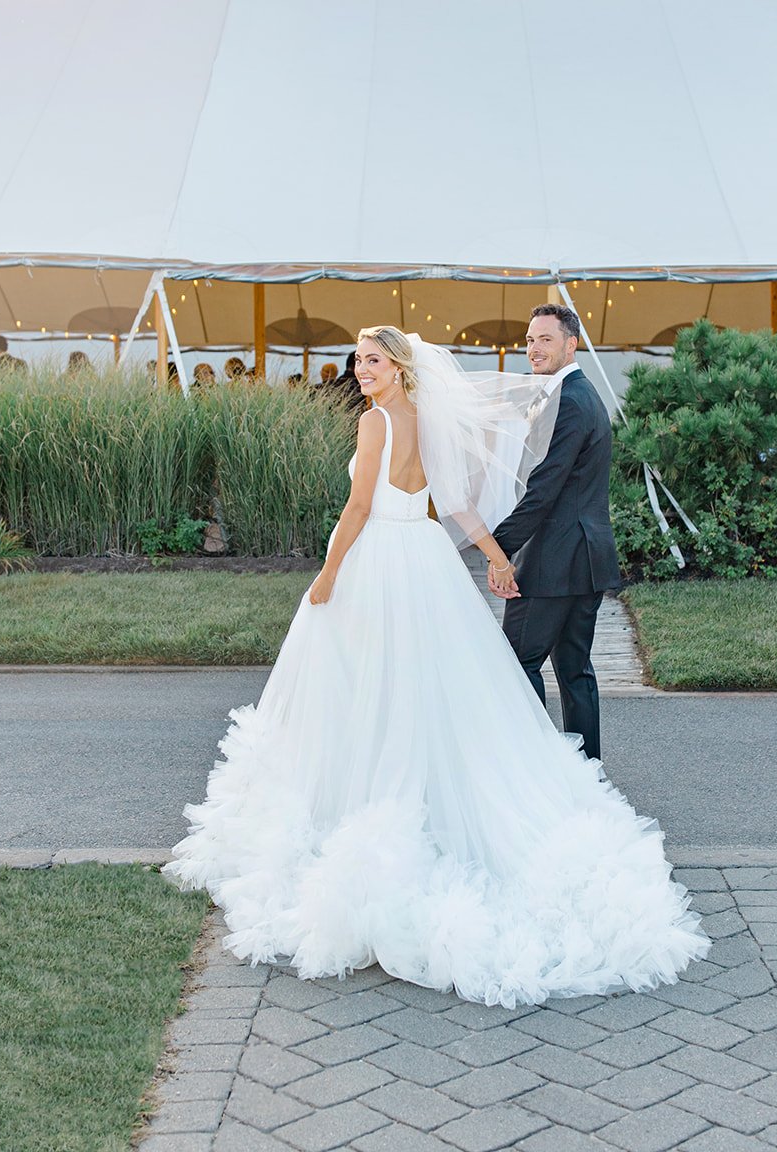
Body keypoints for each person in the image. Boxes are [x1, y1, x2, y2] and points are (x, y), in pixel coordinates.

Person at [165, 326, 707, 1008]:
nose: (362, 372)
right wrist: (495, 554)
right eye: (359, 361)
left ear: (398, 367)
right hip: (425, 559)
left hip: (382, 560)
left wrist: (328, 576)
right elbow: (454, 506)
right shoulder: (426, 420)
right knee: (430, 687)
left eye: (373, 361)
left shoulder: (375, 425)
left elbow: (358, 508)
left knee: (368, 686)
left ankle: (374, 804)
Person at [491, 303, 620, 763]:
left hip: (554, 562)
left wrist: (497, 548)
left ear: (572, 343)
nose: (533, 348)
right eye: (529, 340)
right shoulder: (580, 395)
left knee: (516, 664)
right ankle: (588, 775)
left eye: (545, 339)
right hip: (585, 560)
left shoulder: (569, 401)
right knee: (574, 669)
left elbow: (543, 489)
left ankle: (537, 773)